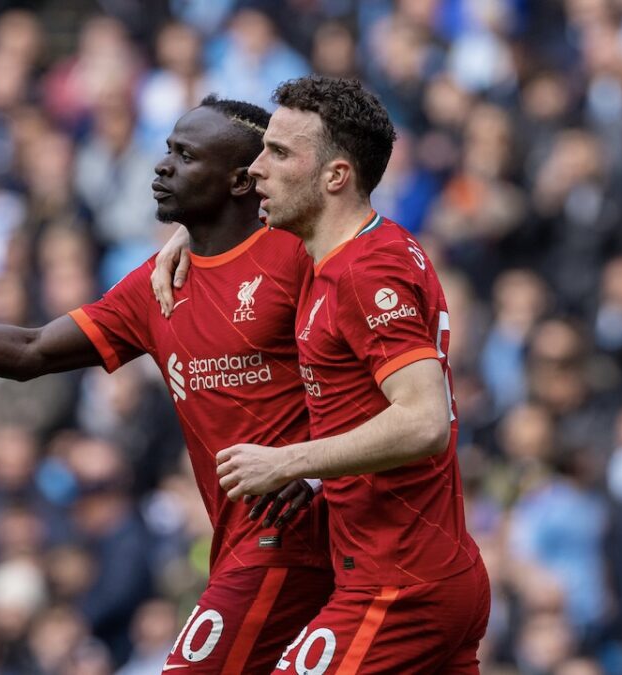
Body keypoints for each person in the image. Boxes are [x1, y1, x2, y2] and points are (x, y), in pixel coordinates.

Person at [0, 96, 333, 674]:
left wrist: (307, 466)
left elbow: (371, 372)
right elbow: (30, 350)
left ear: (242, 180)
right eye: (167, 151)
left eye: (186, 157)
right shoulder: (156, 285)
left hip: (299, 537)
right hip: (237, 542)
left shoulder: (299, 257)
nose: (162, 167)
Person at [154, 75, 489, 673]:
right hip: (420, 572)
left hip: (398, 585)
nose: (256, 169)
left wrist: (288, 462)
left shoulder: (365, 272)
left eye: (279, 153)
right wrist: (190, 229)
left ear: (336, 176)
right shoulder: (343, 255)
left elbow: (425, 420)